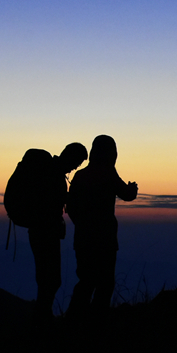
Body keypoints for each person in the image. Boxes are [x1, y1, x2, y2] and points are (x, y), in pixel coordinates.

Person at [65, 135, 138, 316]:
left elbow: (71, 207)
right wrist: (133, 189)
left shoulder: (80, 175)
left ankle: (74, 319)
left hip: (82, 239)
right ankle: (97, 321)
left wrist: (82, 225)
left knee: (86, 281)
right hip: (105, 239)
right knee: (105, 283)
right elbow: (127, 194)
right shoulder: (108, 173)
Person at [26, 142, 87, 323]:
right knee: (51, 279)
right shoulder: (53, 174)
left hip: (41, 232)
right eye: (77, 162)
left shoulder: (52, 172)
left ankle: (42, 315)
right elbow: (49, 204)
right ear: (70, 156)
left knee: (47, 278)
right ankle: (42, 318)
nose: (75, 167)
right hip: (45, 233)